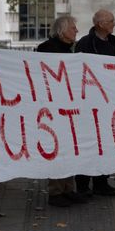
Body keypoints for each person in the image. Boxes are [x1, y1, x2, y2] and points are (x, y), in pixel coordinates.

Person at [36, 15, 89, 207]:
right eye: (73, 28)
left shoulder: (69, 49)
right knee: (58, 149)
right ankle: (56, 191)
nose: (76, 31)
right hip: (55, 109)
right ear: (62, 30)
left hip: (69, 108)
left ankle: (68, 188)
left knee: (70, 148)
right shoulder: (48, 49)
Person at [74, 9, 115, 196]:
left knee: (106, 143)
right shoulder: (86, 44)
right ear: (100, 24)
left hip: (108, 101)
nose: (114, 24)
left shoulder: (114, 43)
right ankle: (83, 185)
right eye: (111, 21)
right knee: (88, 143)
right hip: (89, 101)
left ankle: (102, 181)